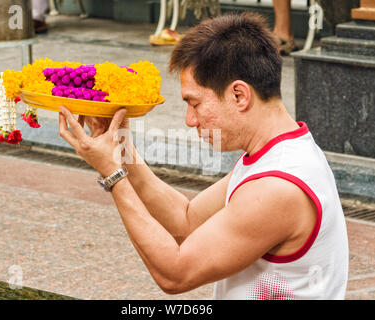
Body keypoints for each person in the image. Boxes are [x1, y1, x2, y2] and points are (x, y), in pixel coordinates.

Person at [58, 12, 349, 299]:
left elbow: (175, 273)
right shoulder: (279, 152)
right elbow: (187, 221)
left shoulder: (278, 187)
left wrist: (114, 175)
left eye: (194, 103)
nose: (189, 120)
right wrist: (120, 148)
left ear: (239, 95)